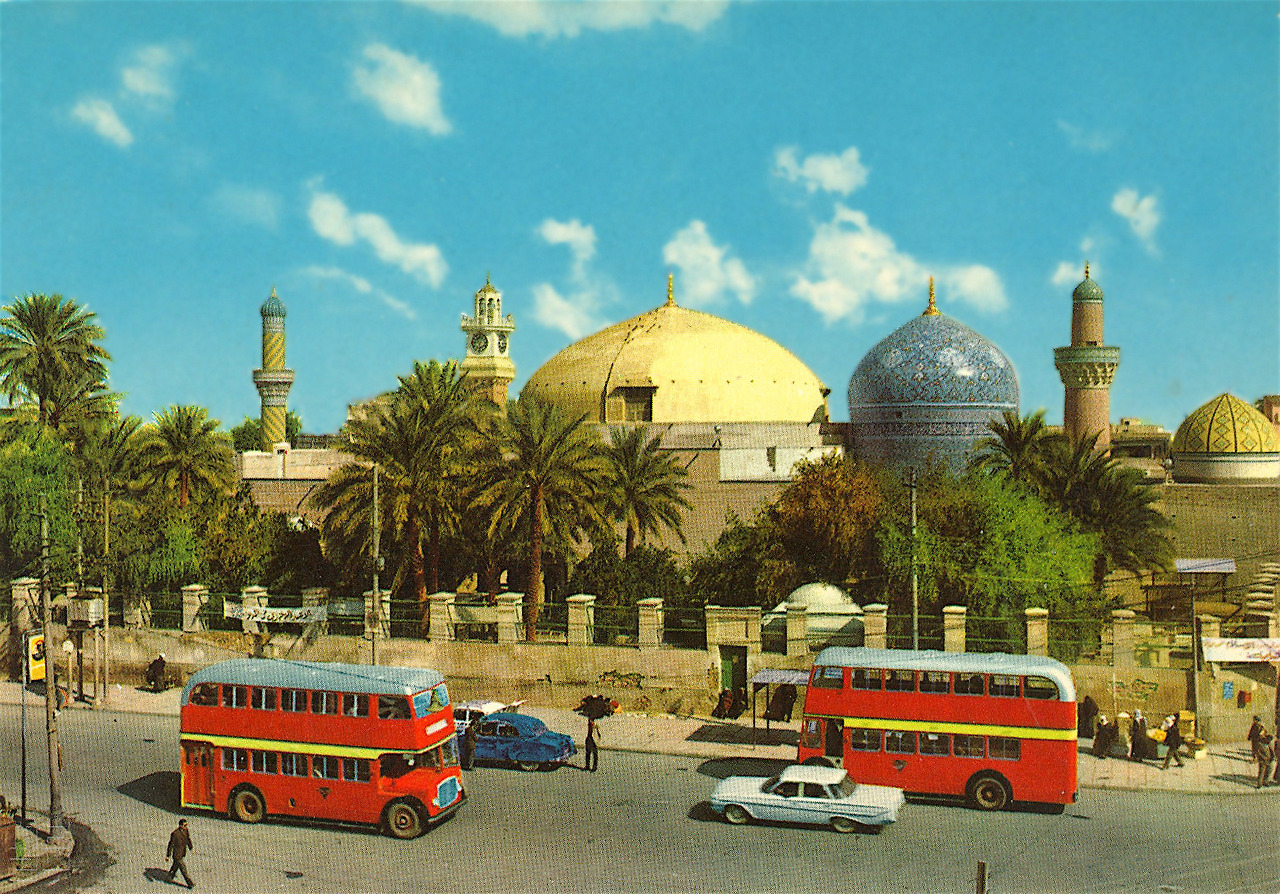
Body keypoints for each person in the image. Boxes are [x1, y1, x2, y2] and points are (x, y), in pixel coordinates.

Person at [165, 818, 194, 889]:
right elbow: (170, 845)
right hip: (177, 855)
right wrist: (168, 855)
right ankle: (190, 883)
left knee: (175, 867)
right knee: (183, 869)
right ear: (181, 826)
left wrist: (191, 848)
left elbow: (188, 839)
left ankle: (169, 878)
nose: (186, 827)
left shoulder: (186, 831)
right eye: (185, 825)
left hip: (182, 852)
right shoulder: (175, 834)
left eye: (186, 825)